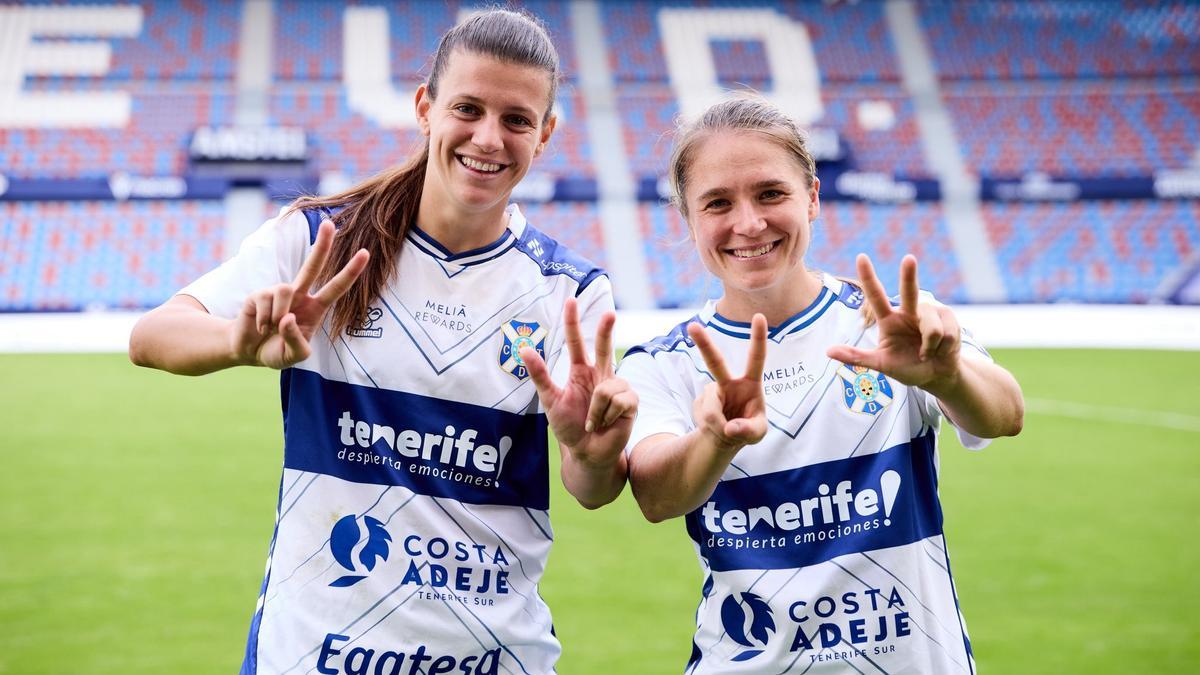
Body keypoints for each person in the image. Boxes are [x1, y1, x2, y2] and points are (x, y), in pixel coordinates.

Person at [128, 10, 633, 674]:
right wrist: (235, 342)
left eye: (516, 119)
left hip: (489, 659)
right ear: (425, 109)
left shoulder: (570, 291)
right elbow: (151, 335)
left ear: (545, 134)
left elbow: (591, 488)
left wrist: (592, 453)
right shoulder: (319, 242)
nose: (488, 137)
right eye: (468, 108)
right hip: (313, 654)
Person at [617, 96, 1024, 673]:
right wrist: (716, 439)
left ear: (811, 196)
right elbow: (656, 498)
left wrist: (948, 375)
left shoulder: (892, 320)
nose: (749, 223)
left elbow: (1005, 414)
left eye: (771, 193)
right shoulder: (664, 363)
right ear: (688, 218)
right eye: (717, 203)